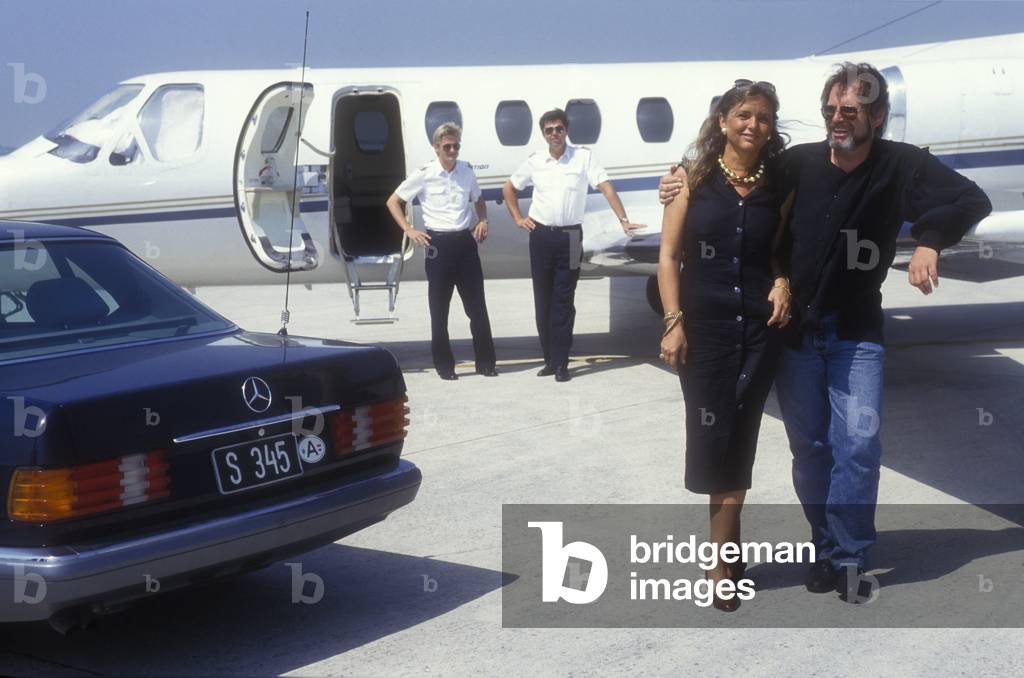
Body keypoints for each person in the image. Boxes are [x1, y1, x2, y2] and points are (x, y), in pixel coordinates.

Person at [661, 63, 992, 601]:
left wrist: (930, 239)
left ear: (877, 116)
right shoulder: (796, 164)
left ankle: (849, 558)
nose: (838, 119)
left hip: (856, 333)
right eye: (830, 110)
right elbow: (741, 186)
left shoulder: (902, 165)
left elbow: (971, 199)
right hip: (794, 336)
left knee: (858, 443)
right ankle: (822, 547)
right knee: (810, 447)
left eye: (851, 110)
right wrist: (681, 179)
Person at [658, 80, 791, 611]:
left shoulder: (779, 188)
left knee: (742, 434)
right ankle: (727, 546)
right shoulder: (690, 181)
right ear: (723, 122)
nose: (753, 125)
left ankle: (718, 563)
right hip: (705, 332)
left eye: (762, 117)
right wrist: (673, 321)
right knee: (713, 437)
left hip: (759, 332)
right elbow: (669, 257)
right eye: (743, 115)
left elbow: (780, 252)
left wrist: (782, 281)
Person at [501, 109, 644, 382]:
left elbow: (606, 187)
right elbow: (509, 188)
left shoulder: (583, 158)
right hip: (541, 236)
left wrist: (623, 220)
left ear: (567, 130)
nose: (554, 134)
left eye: (559, 128)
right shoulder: (535, 161)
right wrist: (518, 217)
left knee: (564, 301)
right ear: (543, 134)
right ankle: (549, 359)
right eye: (549, 130)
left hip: (570, 238)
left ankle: (563, 362)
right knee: (542, 299)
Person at [386, 122, 497, 381]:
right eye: (447, 146)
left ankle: (486, 362)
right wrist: (409, 230)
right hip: (439, 246)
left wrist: (483, 219)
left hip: (465, 243)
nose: (452, 150)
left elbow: (478, 198)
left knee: (477, 308)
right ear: (436, 148)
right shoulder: (424, 173)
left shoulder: (467, 172)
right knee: (440, 310)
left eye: (455, 146)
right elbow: (393, 201)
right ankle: (445, 365)